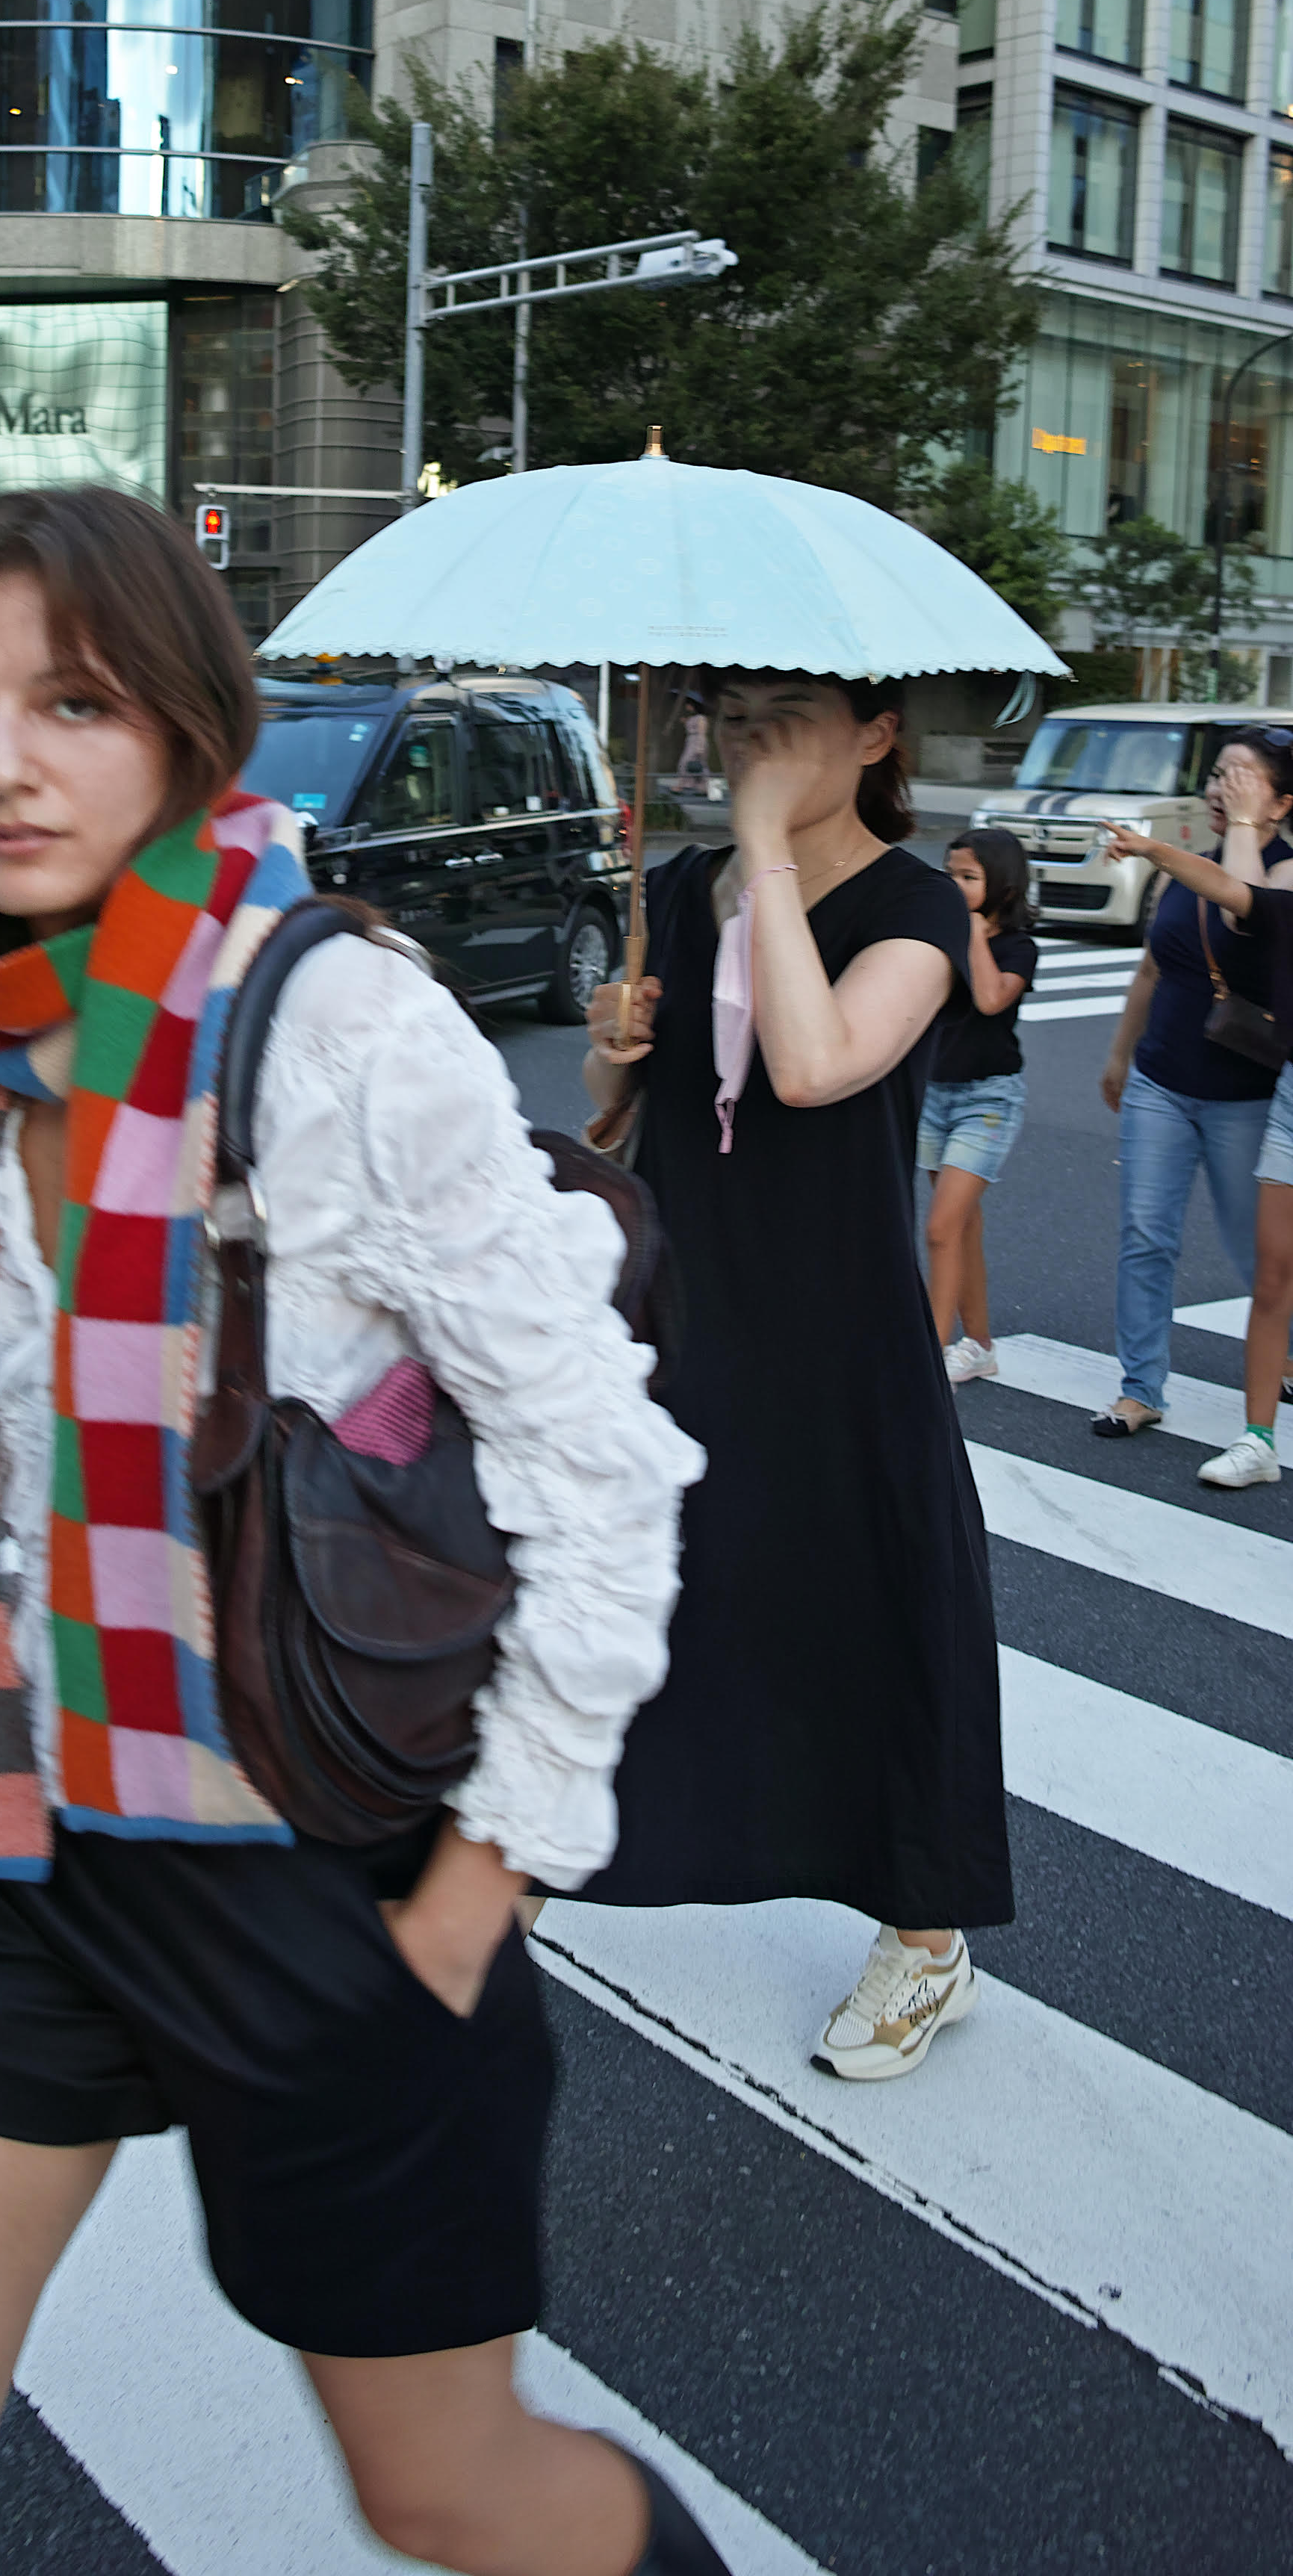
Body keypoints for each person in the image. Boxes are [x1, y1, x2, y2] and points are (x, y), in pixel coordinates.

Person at [0, 488, 725, 2576]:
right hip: (39, 1862)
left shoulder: (336, 1026)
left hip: (325, 1887)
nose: (1, 765)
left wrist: (473, 1909)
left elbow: (607, 1477)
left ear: (188, 724)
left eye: (70, 702)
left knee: (448, 2495)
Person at [580, 670, 1009, 2082]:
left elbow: (820, 1064)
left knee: (873, 1599)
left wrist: (762, 847)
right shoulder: (689, 878)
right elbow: (630, 1123)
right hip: (692, 1301)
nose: (748, 735)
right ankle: (561, 1844)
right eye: (734, 708)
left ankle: (926, 1933)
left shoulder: (909, 904)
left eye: (787, 712)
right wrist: (614, 1048)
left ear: (877, 731)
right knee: (653, 1584)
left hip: (833, 1313)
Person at [1084, 726, 1293, 1441]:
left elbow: (1244, 910)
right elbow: (1151, 970)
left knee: (1258, 1251)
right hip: (1161, 1079)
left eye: (1241, 778)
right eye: (1218, 776)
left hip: (1246, 1092)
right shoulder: (1187, 867)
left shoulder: (1287, 875)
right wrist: (1120, 1056)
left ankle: (1283, 1352)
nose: (1220, 787)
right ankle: (1139, 1387)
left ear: (1281, 803)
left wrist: (1241, 829)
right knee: (1146, 1233)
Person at [920, 828, 1038, 1384]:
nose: (954, 885)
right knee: (961, 1226)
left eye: (968, 877)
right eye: (950, 874)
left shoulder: (1017, 947)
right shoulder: (938, 933)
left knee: (942, 1227)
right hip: (934, 1091)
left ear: (1004, 888)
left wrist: (969, 931)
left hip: (988, 1097)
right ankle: (980, 1344)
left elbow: (992, 999)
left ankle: (932, 1350)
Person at [675, 694, 709, 795]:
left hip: (697, 742)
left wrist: (700, 747)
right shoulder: (693, 717)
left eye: (688, 705)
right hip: (691, 741)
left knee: (690, 763)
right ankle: (702, 788)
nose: (687, 707)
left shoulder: (701, 718)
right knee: (694, 765)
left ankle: (681, 785)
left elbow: (701, 733)